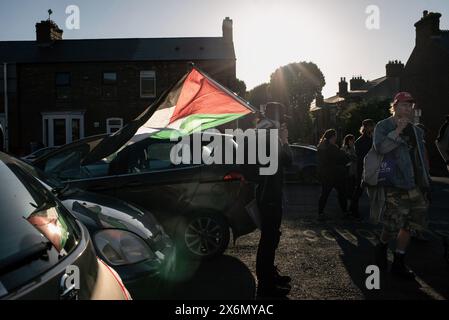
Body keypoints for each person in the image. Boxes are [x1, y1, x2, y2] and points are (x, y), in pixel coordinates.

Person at [368, 92, 430, 279]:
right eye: (402, 105)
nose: (406, 108)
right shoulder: (383, 126)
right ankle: (382, 245)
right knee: (392, 225)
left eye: (409, 105)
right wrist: (397, 132)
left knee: (411, 225)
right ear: (394, 107)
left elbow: (420, 158)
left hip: (415, 185)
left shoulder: (417, 130)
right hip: (394, 184)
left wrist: (426, 181)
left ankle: (399, 262)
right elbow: (380, 149)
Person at [255, 102, 293, 298]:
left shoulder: (264, 130)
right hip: (268, 194)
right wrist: (284, 140)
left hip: (268, 192)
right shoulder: (268, 132)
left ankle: (269, 274)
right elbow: (287, 160)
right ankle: (266, 284)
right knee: (269, 239)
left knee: (271, 237)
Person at [316, 129, 350, 221]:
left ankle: (320, 213)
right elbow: (342, 159)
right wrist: (344, 153)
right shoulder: (332, 148)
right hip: (336, 175)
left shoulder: (321, 146)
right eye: (335, 136)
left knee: (324, 194)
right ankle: (344, 212)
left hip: (325, 174)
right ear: (333, 136)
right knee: (342, 193)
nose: (336, 137)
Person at [349, 119, 375, 219]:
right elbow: (363, 156)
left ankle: (353, 209)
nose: (373, 128)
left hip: (368, 167)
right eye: (371, 126)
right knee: (359, 190)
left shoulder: (369, 139)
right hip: (363, 168)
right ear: (367, 127)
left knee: (360, 190)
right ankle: (353, 209)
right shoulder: (362, 141)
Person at [341, 134, 357, 212]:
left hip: (353, 172)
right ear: (348, 141)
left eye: (353, 140)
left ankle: (350, 207)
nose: (353, 142)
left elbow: (356, 158)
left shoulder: (354, 148)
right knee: (347, 192)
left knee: (352, 191)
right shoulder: (344, 149)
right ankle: (347, 208)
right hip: (347, 173)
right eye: (352, 140)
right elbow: (344, 160)